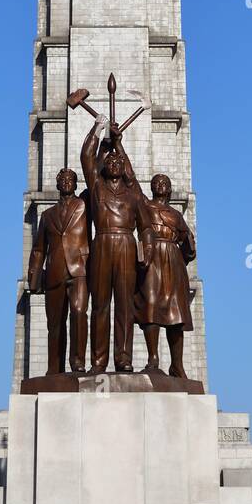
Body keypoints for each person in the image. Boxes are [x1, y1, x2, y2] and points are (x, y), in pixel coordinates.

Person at [80, 115, 143, 374]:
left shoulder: (133, 192)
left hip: (127, 244)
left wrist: (119, 144)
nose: (115, 163)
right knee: (101, 304)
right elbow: (86, 156)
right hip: (103, 242)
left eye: (119, 161)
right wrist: (98, 127)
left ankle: (124, 359)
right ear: (103, 167)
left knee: (125, 306)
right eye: (111, 161)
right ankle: (98, 362)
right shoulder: (96, 187)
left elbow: (131, 173)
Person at [27, 168, 90, 375]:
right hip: (55, 271)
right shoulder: (47, 215)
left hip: (79, 269)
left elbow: (95, 178)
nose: (65, 182)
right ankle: (54, 368)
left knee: (79, 313)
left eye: (69, 179)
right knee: (55, 323)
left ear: (75, 184)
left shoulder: (85, 206)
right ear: (57, 184)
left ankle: (78, 363)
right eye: (62, 179)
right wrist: (34, 280)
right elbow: (38, 249)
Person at [134, 173, 196, 380]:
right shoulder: (144, 205)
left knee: (176, 314)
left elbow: (189, 246)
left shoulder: (176, 215)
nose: (161, 185)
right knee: (150, 306)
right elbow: (131, 181)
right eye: (157, 183)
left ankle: (177, 365)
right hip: (152, 258)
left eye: (165, 183)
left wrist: (186, 243)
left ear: (169, 190)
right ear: (152, 188)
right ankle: (153, 359)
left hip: (173, 260)